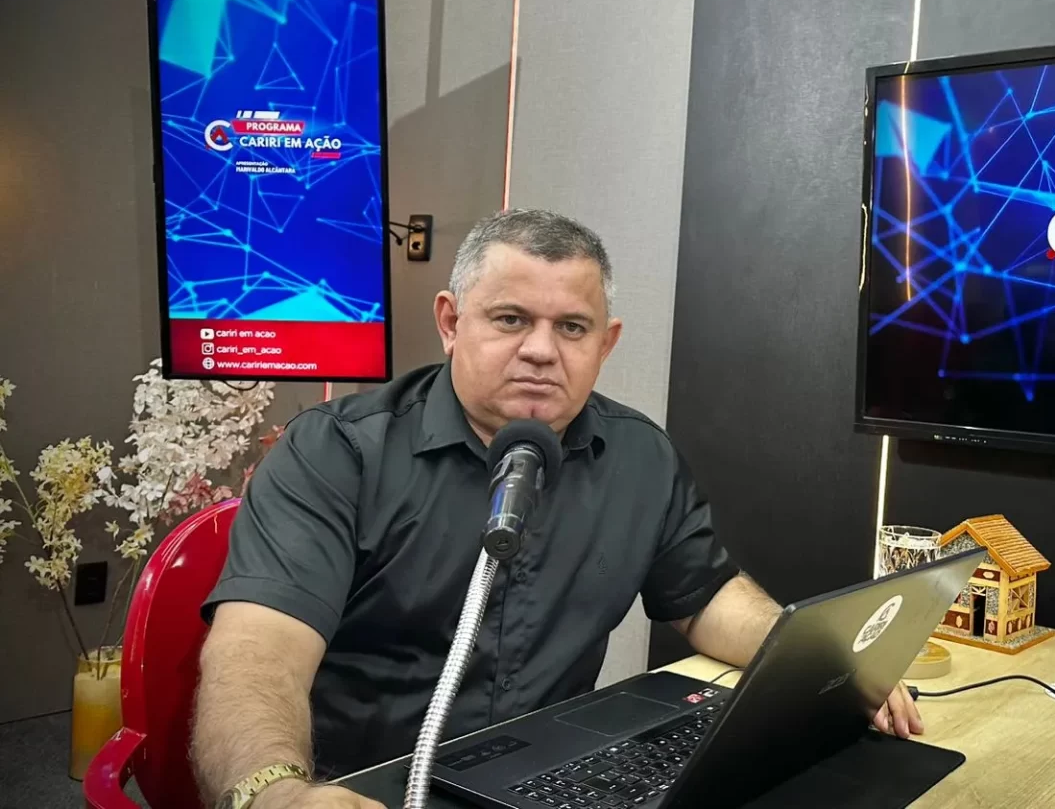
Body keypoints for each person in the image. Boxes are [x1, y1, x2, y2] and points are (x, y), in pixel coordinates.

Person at [191, 209, 924, 809]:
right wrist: (274, 790)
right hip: (366, 789)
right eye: (510, 319)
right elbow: (259, 652)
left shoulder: (639, 456)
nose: (542, 351)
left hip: (551, 782)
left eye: (572, 327)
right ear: (450, 322)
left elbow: (705, 597)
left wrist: (828, 669)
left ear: (606, 343)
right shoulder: (338, 451)